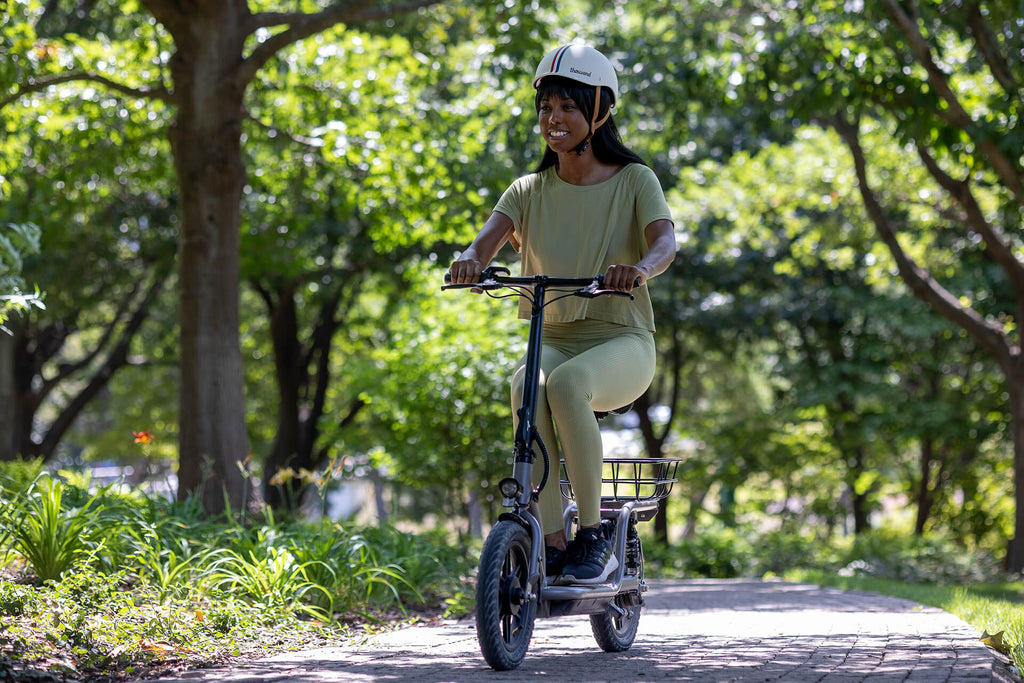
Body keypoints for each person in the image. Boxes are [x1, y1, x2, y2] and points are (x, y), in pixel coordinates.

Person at [449, 44, 676, 584]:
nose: (554, 118)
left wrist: (639, 269)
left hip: (621, 340)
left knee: (567, 383)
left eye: (568, 106)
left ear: (599, 110)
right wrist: (467, 262)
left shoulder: (634, 180)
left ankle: (592, 538)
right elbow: (482, 245)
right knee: (527, 382)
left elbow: (665, 242)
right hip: (550, 332)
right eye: (546, 107)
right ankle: (551, 542)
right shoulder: (528, 190)